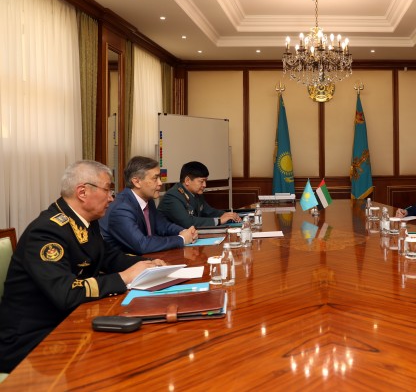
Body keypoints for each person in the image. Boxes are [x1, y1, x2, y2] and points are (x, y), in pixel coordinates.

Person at [0, 161, 165, 373]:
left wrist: (149, 265)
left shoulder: (86, 221)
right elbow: (66, 293)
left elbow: (109, 257)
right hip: (32, 338)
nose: (112, 198)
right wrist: (124, 277)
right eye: (108, 190)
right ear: (82, 192)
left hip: (70, 320)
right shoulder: (46, 232)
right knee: (123, 357)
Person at [101, 156, 198, 254]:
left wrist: (184, 232)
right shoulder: (121, 208)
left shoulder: (148, 200)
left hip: (147, 258)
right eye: (155, 178)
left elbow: (163, 226)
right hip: (125, 261)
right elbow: (141, 245)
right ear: (137, 182)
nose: (160, 183)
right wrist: (181, 239)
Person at [158, 161, 241, 228]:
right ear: (187, 181)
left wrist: (228, 215)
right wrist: (219, 220)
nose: (204, 185)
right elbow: (188, 222)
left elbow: (209, 212)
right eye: (201, 181)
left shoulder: (196, 193)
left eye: (205, 181)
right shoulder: (172, 196)